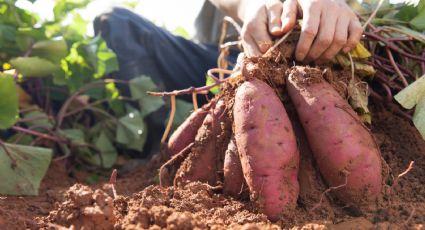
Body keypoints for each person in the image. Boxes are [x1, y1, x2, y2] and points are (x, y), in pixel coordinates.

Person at [94, 0, 362, 154]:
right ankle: (159, 151)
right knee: (116, 22)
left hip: (318, 65)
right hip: (228, 65)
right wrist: (251, 5)